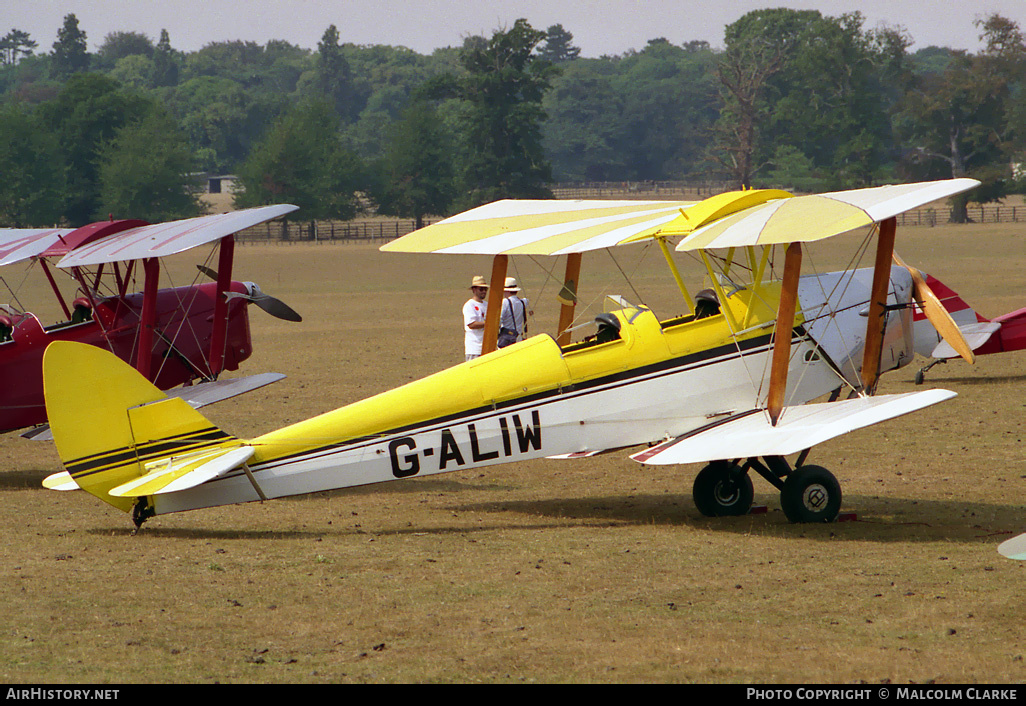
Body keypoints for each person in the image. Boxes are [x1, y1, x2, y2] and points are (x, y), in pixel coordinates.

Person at [498, 277, 532, 348]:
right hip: (518, 338)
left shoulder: (505, 302)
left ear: (507, 291)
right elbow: (526, 300)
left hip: (506, 339)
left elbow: (499, 321)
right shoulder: (522, 302)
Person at [463, 275, 488, 360]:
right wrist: (489, 323)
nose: (484, 291)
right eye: (481, 289)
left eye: (485, 289)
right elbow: (471, 324)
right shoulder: (470, 305)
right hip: (474, 348)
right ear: (474, 290)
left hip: (487, 347)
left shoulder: (487, 305)